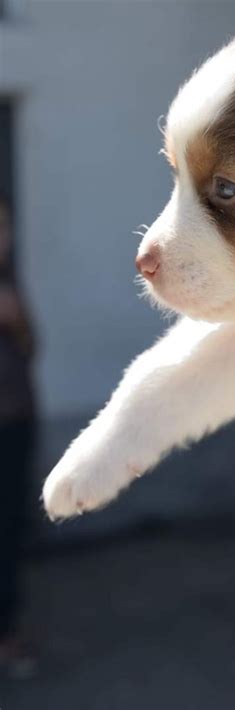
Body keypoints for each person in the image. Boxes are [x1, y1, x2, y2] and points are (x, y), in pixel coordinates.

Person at [0, 194, 37, 677]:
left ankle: (6, 634)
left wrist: (16, 319)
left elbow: (31, 346)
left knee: (10, 529)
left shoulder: (8, 281)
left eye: (4, 227)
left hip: (15, 421)